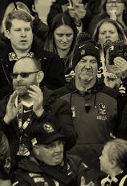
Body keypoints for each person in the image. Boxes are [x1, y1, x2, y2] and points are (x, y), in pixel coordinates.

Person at [6, 120, 105, 186]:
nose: (58, 150)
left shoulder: (76, 164)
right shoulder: (23, 172)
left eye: (60, 144)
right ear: (36, 149)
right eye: (51, 146)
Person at [0, 56, 76, 161]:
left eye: (24, 75)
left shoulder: (58, 105)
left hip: (43, 173)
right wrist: (5, 120)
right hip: (7, 173)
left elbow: (70, 140)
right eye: (15, 75)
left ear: (39, 76)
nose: (18, 79)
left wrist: (42, 114)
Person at [50, 40, 118, 169]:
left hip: (103, 168)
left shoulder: (112, 96)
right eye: (83, 61)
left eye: (93, 61)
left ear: (98, 67)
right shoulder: (58, 97)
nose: (88, 66)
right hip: (67, 168)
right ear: (74, 65)